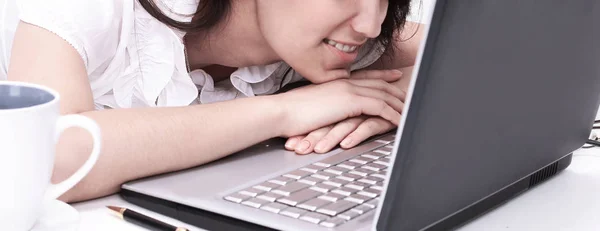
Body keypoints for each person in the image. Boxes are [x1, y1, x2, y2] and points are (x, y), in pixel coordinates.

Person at [0, 0, 424, 202]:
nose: (371, 23)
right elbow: (42, 160)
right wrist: (285, 111)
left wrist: (396, 93)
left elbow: (484, 54)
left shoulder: (335, 36)